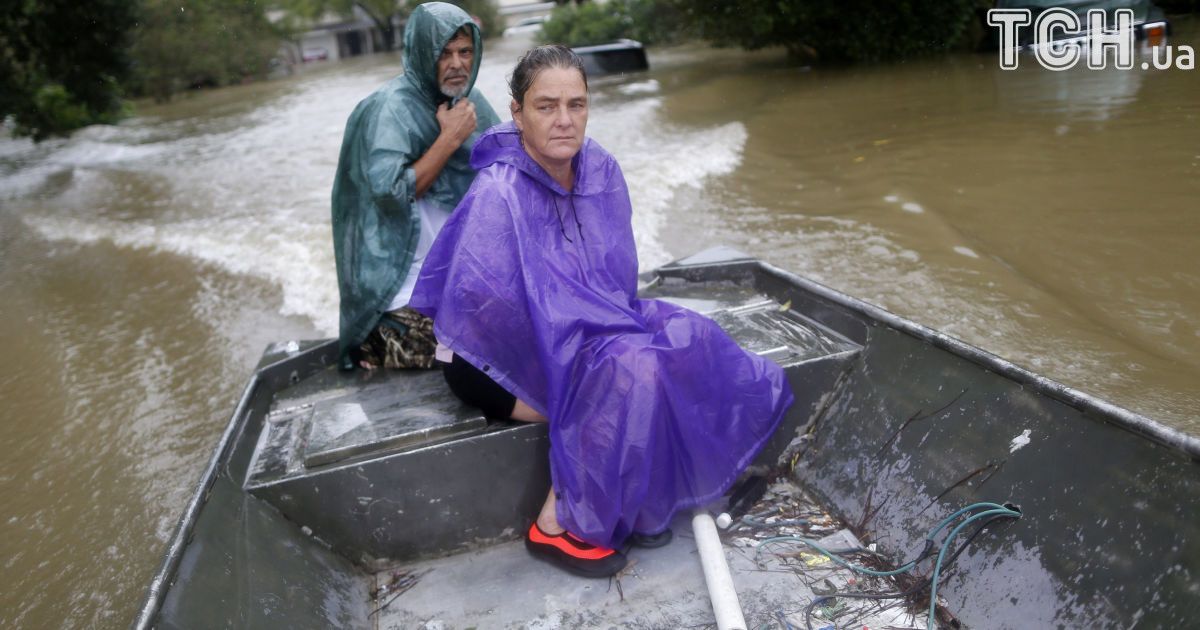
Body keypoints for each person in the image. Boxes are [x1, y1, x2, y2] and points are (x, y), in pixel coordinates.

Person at [409, 45, 794, 578]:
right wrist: (586, 351)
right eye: (546, 107)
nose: (564, 120)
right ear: (517, 113)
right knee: (630, 368)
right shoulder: (498, 193)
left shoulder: (602, 170)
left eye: (577, 104)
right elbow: (483, 319)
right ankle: (555, 524)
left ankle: (641, 497)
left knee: (688, 337)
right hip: (494, 361)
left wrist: (596, 334)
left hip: (583, 326)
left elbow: (614, 282)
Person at [331, 2, 500, 371]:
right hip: (399, 295)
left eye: (465, 51)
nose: (457, 63)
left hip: (457, 283)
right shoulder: (389, 109)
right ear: (423, 52)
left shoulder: (471, 103)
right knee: (472, 359)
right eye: (444, 52)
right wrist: (449, 139)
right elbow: (390, 194)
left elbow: (509, 179)